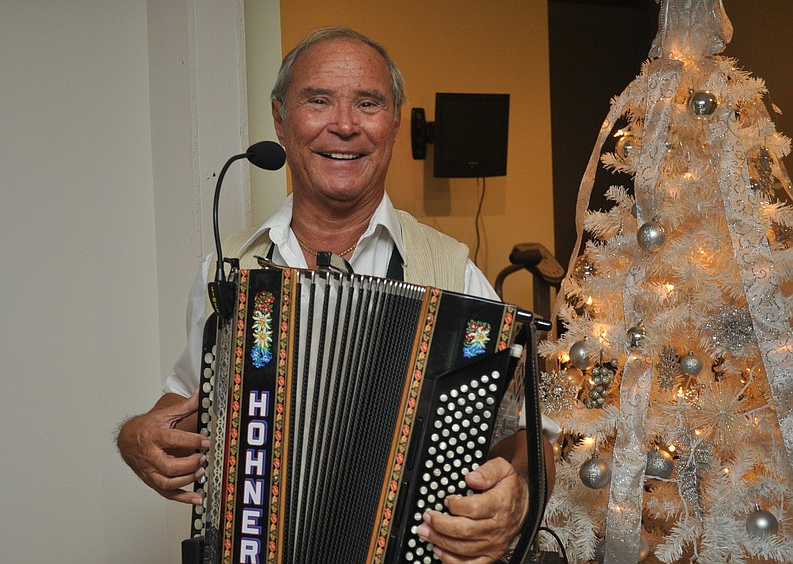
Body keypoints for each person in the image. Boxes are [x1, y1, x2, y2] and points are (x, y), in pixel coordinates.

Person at [117, 26, 557, 563]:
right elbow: (187, 404)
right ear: (280, 118)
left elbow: (534, 444)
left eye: (368, 103)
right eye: (318, 101)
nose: (344, 126)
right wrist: (136, 438)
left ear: (394, 120)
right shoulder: (228, 267)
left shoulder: (452, 270)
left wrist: (520, 496)